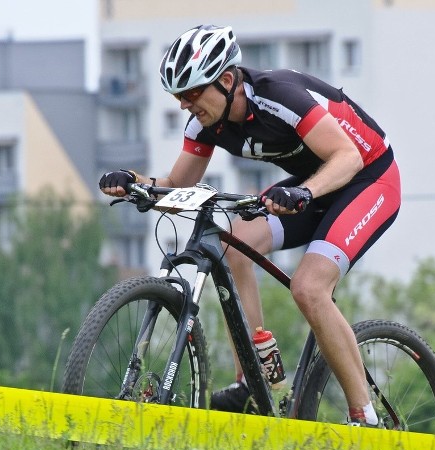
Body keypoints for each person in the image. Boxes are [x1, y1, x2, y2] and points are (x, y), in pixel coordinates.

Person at [99, 24, 401, 426]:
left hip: (369, 178)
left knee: (309, 287)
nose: (186, 106)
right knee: (233, 243)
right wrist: (136, 184)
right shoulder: (206, 122)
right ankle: (252, 380)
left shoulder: (280, 98)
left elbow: (347, 157)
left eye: (191, 94)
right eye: (178, 98)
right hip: (315, 185)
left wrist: (305, 194)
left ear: (226, 80)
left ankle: (366, 418)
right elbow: (177, 186)